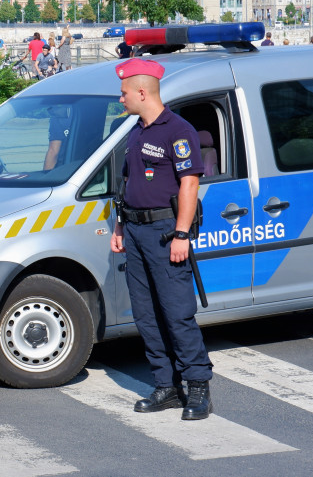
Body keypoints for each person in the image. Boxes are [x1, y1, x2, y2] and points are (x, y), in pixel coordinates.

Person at [109, 58, 213, 421]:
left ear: (142, 92)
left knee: (176, 313)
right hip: (135, 231)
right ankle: (166, 386)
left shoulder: (178, 131)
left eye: (124, 92)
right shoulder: (136, 131)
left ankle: (197, 386)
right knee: (146, 314)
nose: (121, 98)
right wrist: (120, 227)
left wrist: (182, 233)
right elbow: (127, 182)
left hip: (165, 231)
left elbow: (190, 184)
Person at [43, 104, 71, 170]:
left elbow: (53, 151)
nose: (52, 112)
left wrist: (47, 174)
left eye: (54, 108)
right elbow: (53, 151)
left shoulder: (57, 119)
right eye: (50, 110)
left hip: (67, 169)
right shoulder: (56, 119)